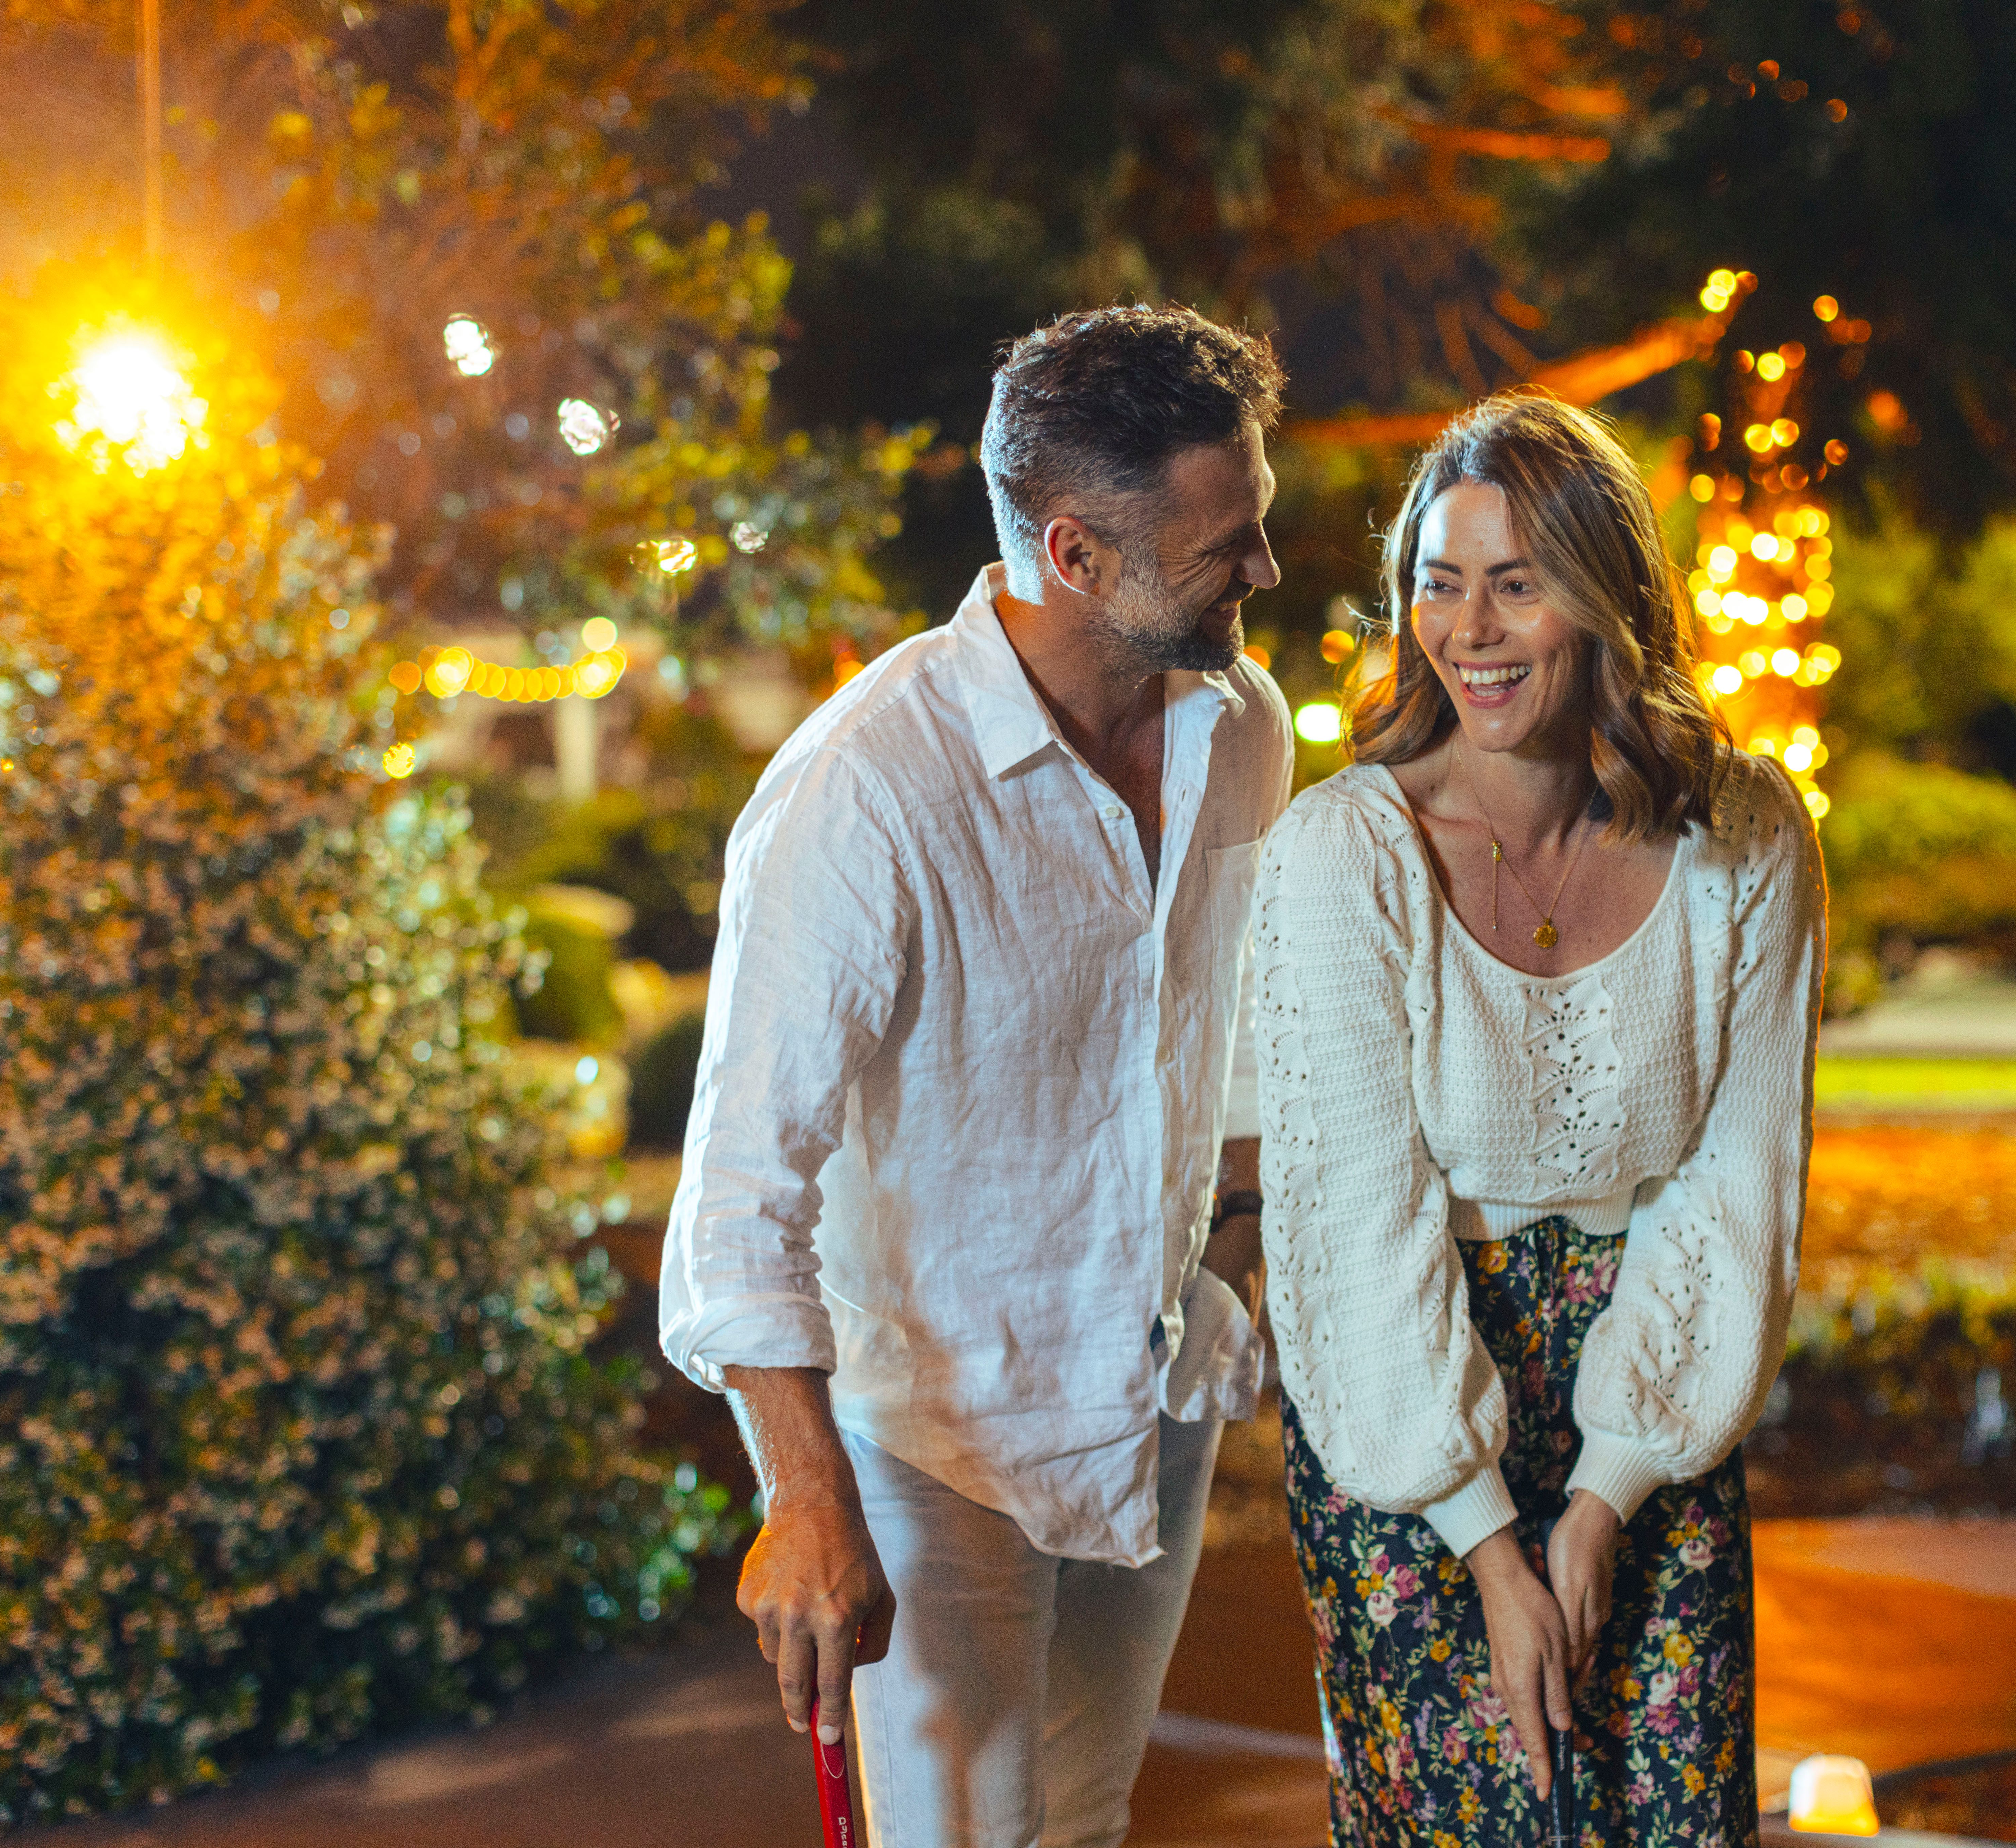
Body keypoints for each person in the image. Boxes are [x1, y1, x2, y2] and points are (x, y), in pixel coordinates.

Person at [657, 305, 1294, 1848]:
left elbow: (1233, 1028)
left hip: (1152, 1393)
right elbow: (740, 1193)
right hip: (936, 1446)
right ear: (1074, 554)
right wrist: (807, 1496)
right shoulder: (865, 788)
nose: (1265, 571)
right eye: (1223, 546)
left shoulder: (1242, 729)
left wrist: (1230, 1248)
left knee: (1084, 1824)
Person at [1252, 394, 1824, 1846]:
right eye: (1438, 582)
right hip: (1407, 1409)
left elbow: (1738, 1182)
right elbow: (1352, 1221)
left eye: (1516, 582)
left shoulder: (1746, 836)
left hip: (1664, 1376)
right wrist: (1488, 1541)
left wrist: (1607, 1490)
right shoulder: (1342, 855)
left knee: (1669, 1816)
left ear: (1606, 594)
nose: (1470, 628)